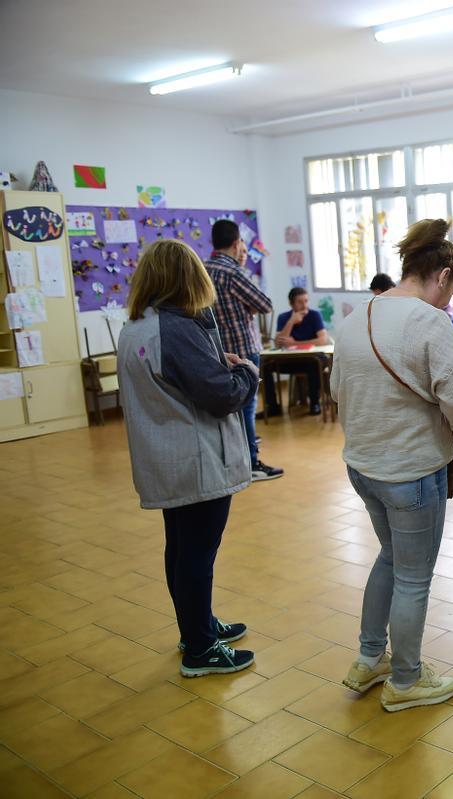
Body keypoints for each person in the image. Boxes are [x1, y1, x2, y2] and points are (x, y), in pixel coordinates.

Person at [331, 219, 453, 712]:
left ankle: (369, 657)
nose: (447, 301)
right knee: (414, 577)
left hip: (364, 467)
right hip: (413, 472)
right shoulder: (429, 321)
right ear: (441, 276)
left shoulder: (357, 316)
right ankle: (406, 680)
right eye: (451, 290)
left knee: (390, 558)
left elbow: (338, 392)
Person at [117, 239, 258, 677]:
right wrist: (244, 371)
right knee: (197, 553)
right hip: (197, 460)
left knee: (180, 549)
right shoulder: (178, 330)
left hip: (166, 456)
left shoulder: (138, 325)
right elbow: (221, 395)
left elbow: (184, 381)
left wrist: (217, 366)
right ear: (190, 278)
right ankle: (200, 647)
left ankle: (195, 627)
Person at [205, 219, 283, 481]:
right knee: (248, 408)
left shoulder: (203, 269)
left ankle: (234, 463)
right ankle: (251, 464)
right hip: (243, 348)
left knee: (227, 409)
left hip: (216, 349)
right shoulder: (233, 272)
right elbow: (265, 304)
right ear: (237, 242)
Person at [264, 287, 328, 417]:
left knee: (315, 363)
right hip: (289, 360)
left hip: (311, 359)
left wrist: (294, 343)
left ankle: (314, 403)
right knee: (264, 365)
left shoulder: (314, 315)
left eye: (306, 301)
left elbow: (322, 340)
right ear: (291, 303)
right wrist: (291, 322)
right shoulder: (284, 317)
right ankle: (272, 406)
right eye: (300, 302)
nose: (304, 305)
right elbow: (278, 343)